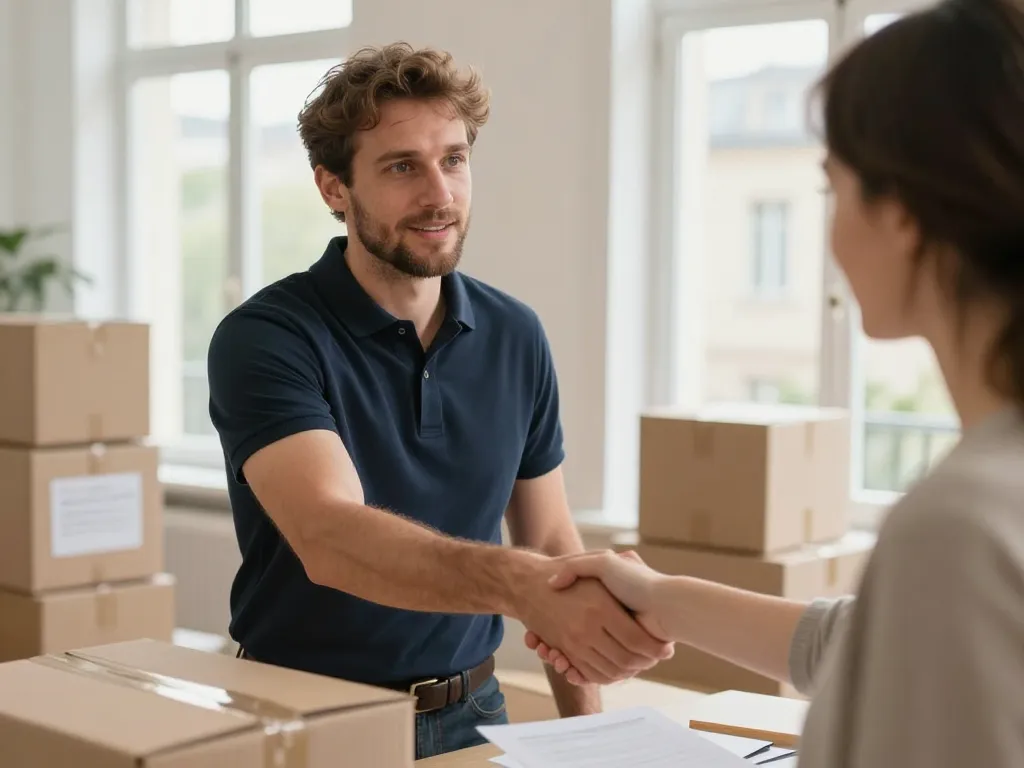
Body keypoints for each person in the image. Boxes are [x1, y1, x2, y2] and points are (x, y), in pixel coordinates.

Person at [528, 1, 1024, 765]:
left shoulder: (958, 525)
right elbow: (861, 642)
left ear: (903, 212)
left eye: (835, 189)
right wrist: (659, 597)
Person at [206, 42, 672, 760]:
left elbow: (549, 542)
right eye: (402, 167)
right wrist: (524, 584)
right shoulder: (267, 338)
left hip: (474, 709)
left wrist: (590, 739)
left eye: (453, 159)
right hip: (310, 712)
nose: (440, 195)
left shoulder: (514, 332)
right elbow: (329, 536)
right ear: (334, 188)